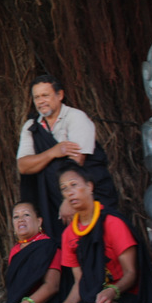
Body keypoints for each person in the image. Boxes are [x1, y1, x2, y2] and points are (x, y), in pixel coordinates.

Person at [48, 163, 152, 303]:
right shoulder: (69, 234)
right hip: (95, 298)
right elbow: (79, 282)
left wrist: (113, 291)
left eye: (74, 185)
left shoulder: (113, 223)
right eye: (64, 188)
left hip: (126, 296)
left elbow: (131, 272)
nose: (69, 192)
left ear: (89, 186)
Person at [17, 74, 118, 240]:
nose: (41, 101)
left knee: (99, 238)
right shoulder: (31, 126)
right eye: (36, 97)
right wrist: (53, 152)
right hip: (50, 201)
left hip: (85, 195)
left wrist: (68, 199)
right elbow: (23, 166)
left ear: (60, 95)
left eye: (45, 95)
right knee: (63, 246)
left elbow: (77, 162)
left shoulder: (76, 117)